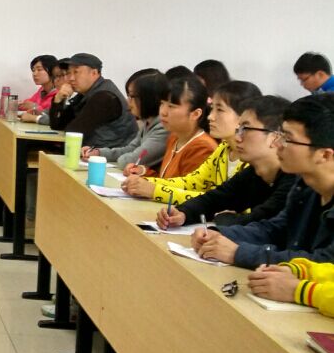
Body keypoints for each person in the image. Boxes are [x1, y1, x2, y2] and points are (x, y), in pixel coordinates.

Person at [192, 94, 334, 268]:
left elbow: (325, 262)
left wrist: (238, 253)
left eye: (287, 138)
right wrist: (218, 234)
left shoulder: (297, 182)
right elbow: (274, 230)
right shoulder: (304, 187)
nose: (277, 144)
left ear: (324, 155)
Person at [156, 95, 297, 229]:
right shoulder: (254, 173)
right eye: (238, 129)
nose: (237, 138)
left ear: (275, 138)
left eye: (245, 129)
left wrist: (225, 218)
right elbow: (215, 198)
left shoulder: (294, 181)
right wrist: (183, 213)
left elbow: (261, 223)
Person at [120, 76, 220, 201]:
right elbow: (168, 180)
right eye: (162, 104)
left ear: (195, 114)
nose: (163, 112)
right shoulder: (174, 137)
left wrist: (151, 189)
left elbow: (188, 192)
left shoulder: (202, 147)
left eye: (171, 106)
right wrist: (143, 171)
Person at [45, 53, 137, 149]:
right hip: (92, 151)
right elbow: (57, 125)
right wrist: (58, 99)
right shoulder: (84, 94)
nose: (71, 78)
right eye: (69, 73)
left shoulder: (105, 97)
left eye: (76, 72)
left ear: (94, 73)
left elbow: (73, 132)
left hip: (109, 154)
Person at [83, 70, 168, 171]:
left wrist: (121, 159)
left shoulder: (163, 128)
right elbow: (130, 149)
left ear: (147, 98)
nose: (128, 101)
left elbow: (131, 161)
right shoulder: (148, 122)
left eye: (132, 96)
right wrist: (99, 153)